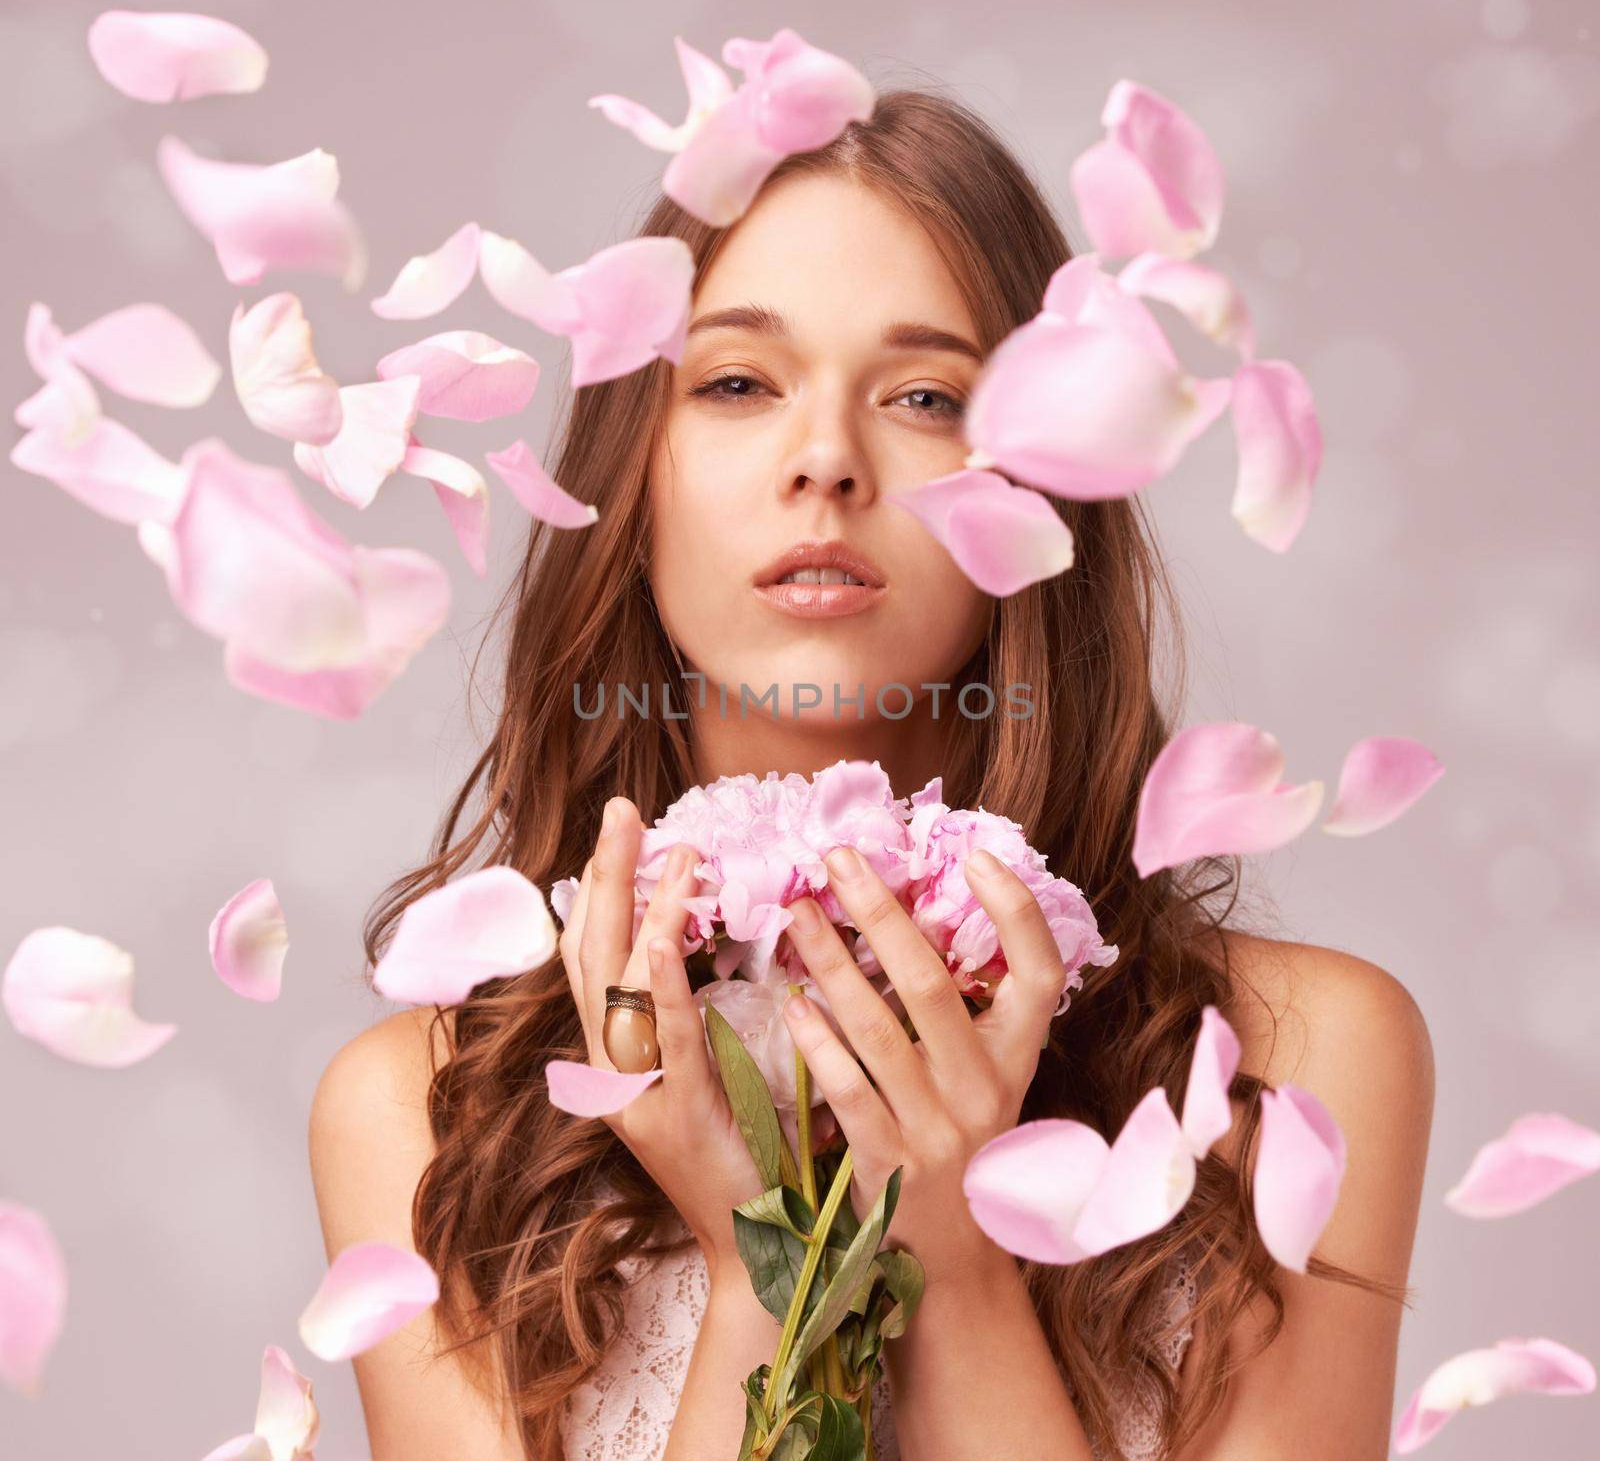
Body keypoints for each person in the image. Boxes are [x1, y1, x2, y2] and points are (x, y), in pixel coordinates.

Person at [307, 86, 1435, 1460]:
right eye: (736, 383)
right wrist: (758, 1279)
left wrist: (952, 1254)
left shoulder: (1296, 1062)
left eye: (924, 396)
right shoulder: (422, 1113)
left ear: (1041, 486)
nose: (827, 461)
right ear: (631, 475)